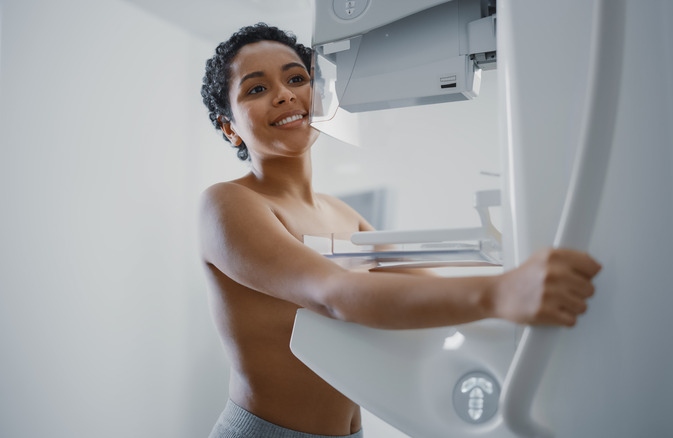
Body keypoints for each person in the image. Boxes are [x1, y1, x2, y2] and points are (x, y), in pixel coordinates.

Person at [199, 22, 601, 438]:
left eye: (296, 78)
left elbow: (420, 289)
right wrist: (501, 293)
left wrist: (522, 291)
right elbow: (334, 296)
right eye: (256, 89)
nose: (284, 94)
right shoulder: (228, 204)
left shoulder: (341, 212)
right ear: (229, 126)